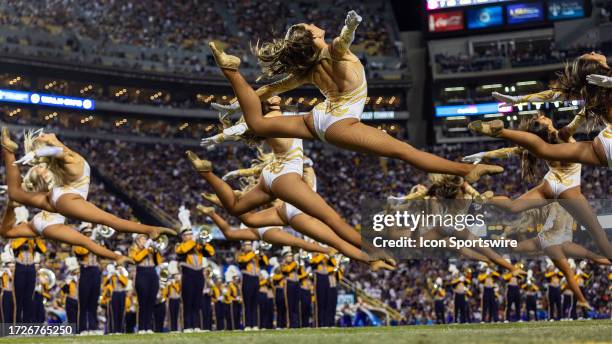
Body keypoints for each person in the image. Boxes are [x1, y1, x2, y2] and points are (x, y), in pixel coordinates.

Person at [207, 12, 503, 183]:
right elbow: (340, 43)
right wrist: (350, 26)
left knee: (257, 124)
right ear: (313, 38)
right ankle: (468, 171)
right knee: (405, 152)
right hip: (338, 123)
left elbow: (268, 90)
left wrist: (235, 104)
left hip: (320, 118)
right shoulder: (333, 51)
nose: (313, 24)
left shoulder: (308, 69)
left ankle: (231, 71)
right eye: (309, 27)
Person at [465, 113, 612, 260]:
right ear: (545, 125)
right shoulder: (561, 136)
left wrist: (484, 154)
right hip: (569, 189)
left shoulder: (542, 143)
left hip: (550, 183)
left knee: (513, 206)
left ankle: (487, 200)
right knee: (597, 232)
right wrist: (585, 109)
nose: (544, 116)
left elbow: (511, 151)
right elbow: (575, 123)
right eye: (542, 118)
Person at [1, 127, 175, 239]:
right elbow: (57, 150)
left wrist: (38, 153)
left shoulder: (68, 158)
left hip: (58, 196)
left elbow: (56, 151)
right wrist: (40, 152)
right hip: (66, 199)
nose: (45, 134)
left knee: (15, 193)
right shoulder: (74, 159)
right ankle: (149, 229)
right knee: (110, 219)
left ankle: (8, 150)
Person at [468, 52, 611, 168]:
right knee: (544, 150)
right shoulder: (598, 87)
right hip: (602, 145)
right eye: (590, 55)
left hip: (603, 147)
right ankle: (500, 132)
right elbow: (552, 95)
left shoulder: (591, 92)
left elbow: (552, 95)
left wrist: (518, 99)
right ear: (594, 66)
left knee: (544, 150)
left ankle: (501, 131)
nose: (593, 52)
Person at [175, 223, 215, 332]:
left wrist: (203, 243)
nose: (190, 236)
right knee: (187, 301)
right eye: (187, 234)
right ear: (183, 236)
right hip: (188, 274)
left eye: (191, 234)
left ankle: (196, 325)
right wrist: (194, 241)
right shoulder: (180, 245)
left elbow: (211, 252)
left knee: (197, 301)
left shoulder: (198, 245)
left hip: (199, 274)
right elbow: (182, 251)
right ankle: (187, 326)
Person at [129, 233, 163, 333]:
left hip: (152, 272)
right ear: (137, 241)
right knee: (142, 302)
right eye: (142, 239)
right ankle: (141, 327)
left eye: (145, 239)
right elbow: (136, 259)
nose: (144, 241)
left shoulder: (150, 249)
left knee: (151, 302)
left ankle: (148, 327)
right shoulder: (133, 249)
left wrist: (156, 251)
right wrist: (146, 249)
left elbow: (158, 262)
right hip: (142, 273)